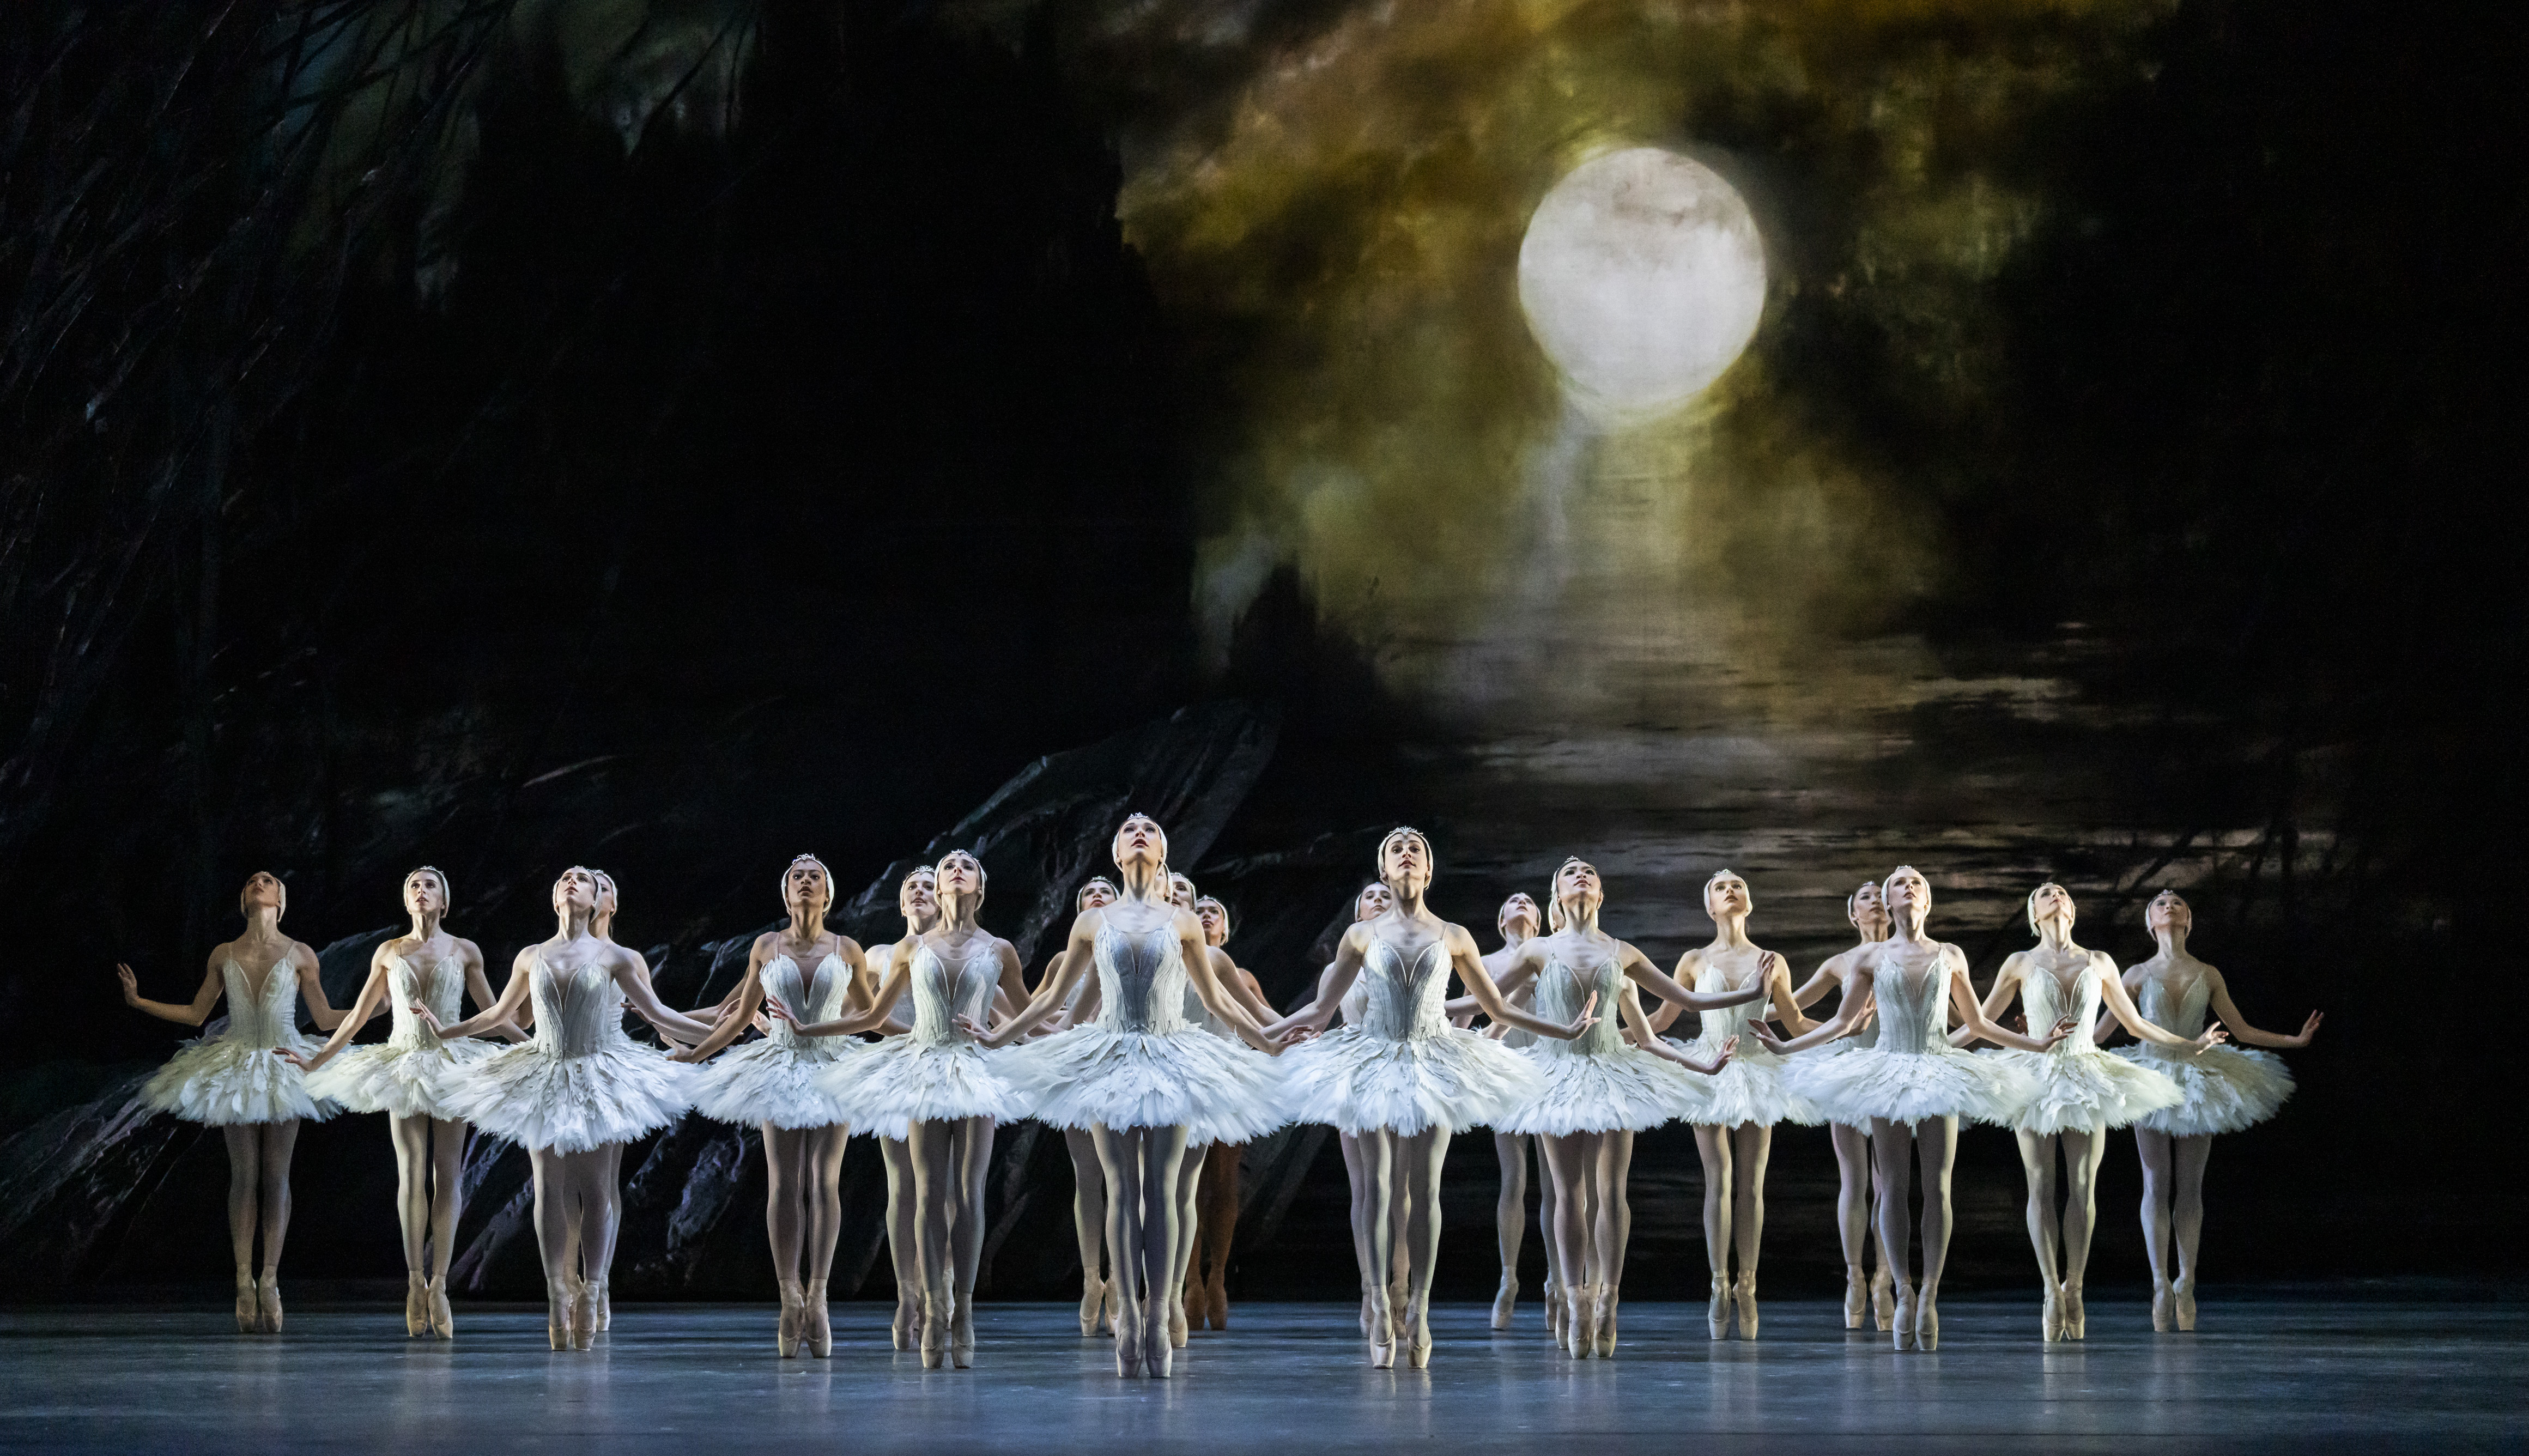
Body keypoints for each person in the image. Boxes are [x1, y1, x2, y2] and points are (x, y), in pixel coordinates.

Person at [966, 815, 1303, 1379]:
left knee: (1167, 1189)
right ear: (1118, 853)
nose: (1139, 830)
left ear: (1164, 851)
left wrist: (1269, 1035)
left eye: (1150, 827)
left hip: (1173, 1055)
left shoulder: (1184, 921)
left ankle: (1159, 1309)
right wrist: (1002, 1034)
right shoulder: (1095, 922)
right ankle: (1125, 1315)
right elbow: (1059, 1006)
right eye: (1129, 828)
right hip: (1114, 1055)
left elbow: (1219, 1000)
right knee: (1122, 1188)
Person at [1260, 829, 1597, 1369]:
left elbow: (1500, 1008)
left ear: (1429, 870)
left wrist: (1563, 1030)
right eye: (1398, 848)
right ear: (1386, 869)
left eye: (1417, 846)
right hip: (1373, 1059)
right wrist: (1265, 1035)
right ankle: (1377, 1297)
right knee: (1379, 1187)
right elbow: (1321, 1009)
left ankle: (1417, 1308)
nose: (1408, 851)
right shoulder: (1360, 937)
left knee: (1423, 1187)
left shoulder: (1456, 934)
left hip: (1431, 1060)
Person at [1761, 865, 2074, 1351]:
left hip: (1936, 1069)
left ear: (1927, 902)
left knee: (1937, 1187)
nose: (1909, 888)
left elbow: (1977, 1024)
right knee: (1893, 1187)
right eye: (1899, 884)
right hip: (1885, 1072)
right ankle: (1902, 1288)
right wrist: (1783, 1049)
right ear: (1888, 902)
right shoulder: (1869, 957)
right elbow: (1843, 1024)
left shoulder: (1949, 954)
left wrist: (2036, 1045)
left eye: (1917, 884)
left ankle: (1929, 1292)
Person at [423, 867, 709, 1350]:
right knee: (547, 1186)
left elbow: (660, 1014)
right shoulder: (531, 956)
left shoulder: (616, 957)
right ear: (555, 897)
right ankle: (558, 1292)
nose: (572, 881)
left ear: (599, 898)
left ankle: (594, 1288)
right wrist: (446, 1030)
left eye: (583, 879)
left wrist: (727, 1035)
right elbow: (499, 1015)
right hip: (545, 1070)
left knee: (596, 1190)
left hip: (600, 1071)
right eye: (565, 879)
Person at [770, 850, 1033, 1369]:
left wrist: (1027, 1035)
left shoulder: (995, 949)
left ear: (976, 888)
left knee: (967, 1191)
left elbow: (1022, 1011)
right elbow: (866, 1012)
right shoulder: (899, 950)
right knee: (914, 1188)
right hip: (911, 1065)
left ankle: (961, 1307)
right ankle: (921, 1301)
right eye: (918, 882)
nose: (928, 887)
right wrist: (802, 1027)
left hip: (969, 1069)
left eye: (956, 870)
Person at [1489, 858, 1754, 1357]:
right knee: (1568, 1195)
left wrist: (1709, 1058)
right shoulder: (1537, 950)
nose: (1581, 877)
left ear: (1602, 893)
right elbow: (1489, 1002)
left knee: (1610, 1192)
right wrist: (1437, 1023)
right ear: (1558, 894)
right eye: (1571, 874)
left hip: (1614, 1075)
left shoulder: (1622, 952)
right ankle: (1575, 1298)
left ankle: (1609, 1295)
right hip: (1558, 1076)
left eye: (1589, 872)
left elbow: (1679, 1008)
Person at [1966, 882, 2221, 1340]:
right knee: (2041, 1184)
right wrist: (1937, 1051)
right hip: (2036, 1076)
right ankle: (2049, 1288)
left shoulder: (2099, 960)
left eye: (2061, 891)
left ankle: (2075, 1287)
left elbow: (2135, 1022)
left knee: (2082, 1186)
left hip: (2086, 1074)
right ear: (2034, 912)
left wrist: (2190, 1044)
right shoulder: (2020, 962)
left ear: (2073, 909)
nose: (2055, 895)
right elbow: (1980, 1023)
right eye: (2046, 893)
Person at [287, 866, 518, 1338]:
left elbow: (493, 1015)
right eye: (413, 884)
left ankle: (439, 1284)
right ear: (405, 900)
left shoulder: (464, 950)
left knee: (447, 1174)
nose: (420, 889)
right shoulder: (389, 952)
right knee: (412, 1171)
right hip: (404, 1062)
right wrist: (319, 1059)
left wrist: (534, 1047)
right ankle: (414, 1282)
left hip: (453, 1064)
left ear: (443, 901)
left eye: (429, 884)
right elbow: (355, 1017)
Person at [119, 870, 349, 1333]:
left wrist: (379, 1006)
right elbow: (197, 1014)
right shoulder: (224, 953)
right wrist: (140, 1002)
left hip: (285, 1060)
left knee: (276, 1174)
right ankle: (243, 1278)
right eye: (252, 880)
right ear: (244, 898)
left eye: (269, 880)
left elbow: (325, 1019)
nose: (260, 881)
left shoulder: (301, 953)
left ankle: (270, 1279)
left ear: (281, 900)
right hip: (236, 1063)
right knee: (244, 1174)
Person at [669, 854, 870, 1357]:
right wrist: (697, 1053)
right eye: (797, 877)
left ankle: (819, 1296)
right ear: (786, 895)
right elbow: (739, 1016)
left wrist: (919, 1042)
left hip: (831, 1064)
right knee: (784, 1181)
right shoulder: (766, 946)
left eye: (815, 877)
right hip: (778, 1063)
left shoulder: (847, 948)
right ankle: (788, 1297)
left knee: (822, 1179)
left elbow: (869, 1012)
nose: (806, 882)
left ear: (827, 894)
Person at [2103, 889, 2319, 1332]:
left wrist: (2293, 1042)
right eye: (2159, 903)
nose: (2168, 905)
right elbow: (2102, 1031)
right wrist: (2045, 1038)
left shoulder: (2208, 972)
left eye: (2176, 902)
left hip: (2197, 1080)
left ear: (2188, 920)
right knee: (2154, 1181)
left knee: (2190, 1185)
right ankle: (2159, 1283)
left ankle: (2187, 1280)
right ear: (2150, 923)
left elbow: (2239, 1028)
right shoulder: (2136, 973)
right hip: (2150, 1076)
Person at [1655, 869, 1820, 1341]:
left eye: (1738, 886)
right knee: (1719, 1179)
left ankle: (1746, 1285)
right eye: (1720, 888)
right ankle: (1717, 1281)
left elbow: (1793, 1019)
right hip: (1709, 1066)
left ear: (1748, 903)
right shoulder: (1693, 959)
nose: (1731, 891)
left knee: (1751, 1183)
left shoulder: (1771, 960)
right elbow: (1665, 1016)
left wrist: (1848, 1027)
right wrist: (1610, 1036)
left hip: (1755, 1069)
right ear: (1709, 906)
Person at [1784, 881, 1896, 1330]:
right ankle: (1853, 1276)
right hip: (1849, 1073)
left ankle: (1884, 1278)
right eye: (1864, 898)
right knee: (1853, 1182)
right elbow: (1791, 1010)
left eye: (1878, 896)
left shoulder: (1908, 954)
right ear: (1852, 915)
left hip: (1894, 1073)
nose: (1874, 902)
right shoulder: (1840, 963)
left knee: (1888, 1183)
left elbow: (1952, 1015)